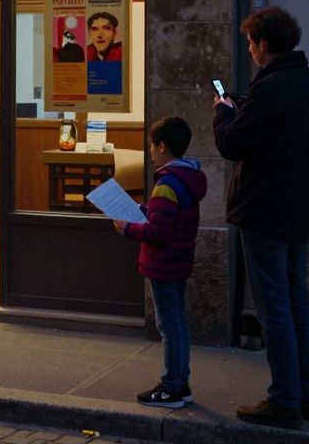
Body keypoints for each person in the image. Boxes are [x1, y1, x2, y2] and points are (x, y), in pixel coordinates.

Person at [213, 6, 309, 430]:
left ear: (263, 44)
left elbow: (232, 144)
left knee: (274, 308)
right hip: (300, 210)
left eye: (250, 43)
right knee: (297, 301)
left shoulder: (270, 88)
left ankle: (284, 399)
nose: (250, 50)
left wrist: (223, 112)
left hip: (264, 211)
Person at [114, 117, 207, 409]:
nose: (151, 152)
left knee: (169, 326)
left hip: (164, 264)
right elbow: (166, 218)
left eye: (152, 146)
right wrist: (144, 209)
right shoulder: (186, 178)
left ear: (162, 146)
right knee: (177, 323)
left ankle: (172, 387)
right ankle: (181, 383)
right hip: (178, 261)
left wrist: (127, 228)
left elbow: (158, 232)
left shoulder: (167, 183)